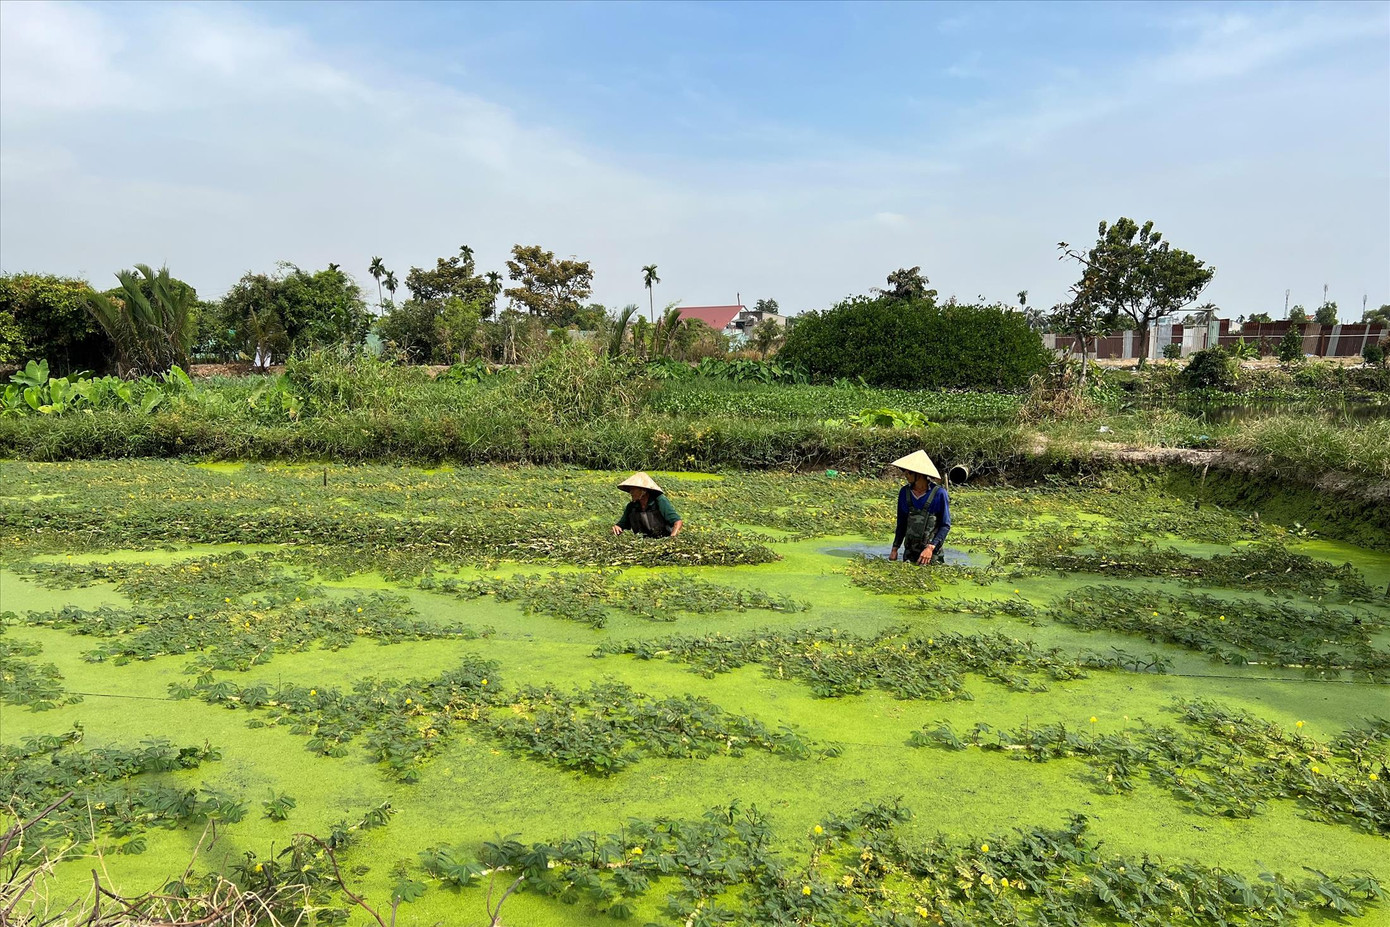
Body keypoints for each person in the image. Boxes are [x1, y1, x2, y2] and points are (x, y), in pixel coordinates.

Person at [888, 450, 951, 565]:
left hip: (931, 555)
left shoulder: (939, 494)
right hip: (909, 554)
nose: (905, 475)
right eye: (904, 471)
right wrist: (894, 549)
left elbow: (945, 525)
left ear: (919, 474)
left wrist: (930, 548)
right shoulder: (904, 493)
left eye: (909, 472)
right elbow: (901, 523)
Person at [611, 472, 683, 538]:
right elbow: (622, 524)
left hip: (663, 539)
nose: (631, 492)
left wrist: (671, 540)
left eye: (633, 489)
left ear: (643, 491)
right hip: (643, 543)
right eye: (630, 490)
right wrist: (617, 527)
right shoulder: (631, 507)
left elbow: (677, 522)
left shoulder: (659, 501)